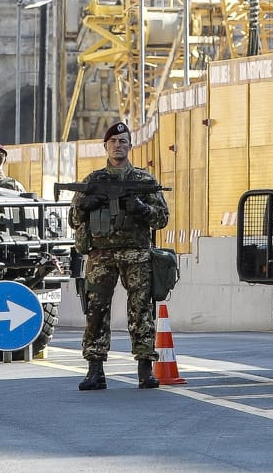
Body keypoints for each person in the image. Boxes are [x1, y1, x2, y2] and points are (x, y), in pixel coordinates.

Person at [68, 121, 169, 391]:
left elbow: (162, 219)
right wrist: (86, 205)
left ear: (130, 146)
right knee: (96, 311)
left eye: (123, 141)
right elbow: (73, 218)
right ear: (105, 146)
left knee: (141, 310)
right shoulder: (93, 181)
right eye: (113, 142)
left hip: (136, 253)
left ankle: (145, 368)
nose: (118, 146)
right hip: (101, 256)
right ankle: (95, 369)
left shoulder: (144, 181)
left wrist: (141, 209)